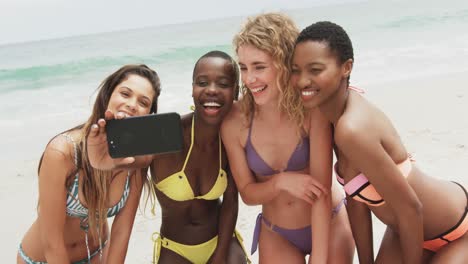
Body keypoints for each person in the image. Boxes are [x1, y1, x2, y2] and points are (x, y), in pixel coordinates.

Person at [291, 21, 468, 263]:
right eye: (296, 70)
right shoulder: (332, 113)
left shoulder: (351, 129)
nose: (302, 81)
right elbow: (356, 201)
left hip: (457, 229)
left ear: (346, 67)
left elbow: (411, 208)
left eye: (315, 70)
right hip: (405, 232)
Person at [87, 51, 250, 264]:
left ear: (235, 91)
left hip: (221, 244)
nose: (211, 90)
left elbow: (230, 202)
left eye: (223, 84)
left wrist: (220, 256)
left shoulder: (229, 137)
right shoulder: (167, 132)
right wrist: (103, 162)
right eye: (202, 82)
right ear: (192, 89)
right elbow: (139, 160)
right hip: (175, 250)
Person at [221, 13, 355, 263]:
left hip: (329, 223)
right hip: (276, 233)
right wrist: (280, 182)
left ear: (284, 63)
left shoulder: (312, 110)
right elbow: (248, 194)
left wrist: (319, 258)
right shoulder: (235, 122)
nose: (249, 79)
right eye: (244, 68)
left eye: (259, 67)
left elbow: (321, 192)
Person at [17, 64, 161, 263]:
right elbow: (52, 244)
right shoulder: (63, 152)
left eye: (143, 102)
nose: (132, 104)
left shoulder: (137, 160)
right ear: (108, 95)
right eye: (125, 94)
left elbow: (122, 232)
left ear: (148, 115)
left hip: (98, 254)